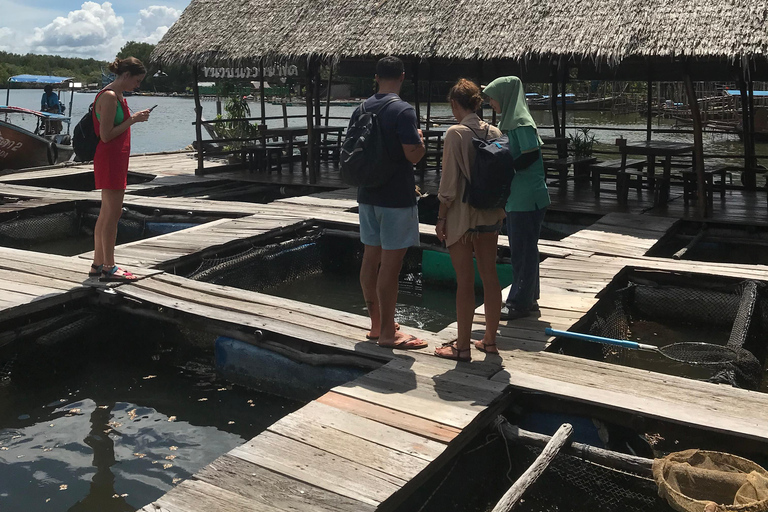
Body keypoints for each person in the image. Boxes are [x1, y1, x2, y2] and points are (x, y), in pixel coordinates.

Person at [350, 56, 428, 350]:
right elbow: (413, 155)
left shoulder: (361, 108)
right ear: (402, 77)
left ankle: (376, 325)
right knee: (391, 268)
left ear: (376, 77)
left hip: (367, 195)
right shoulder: (402, 110)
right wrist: (421, 141)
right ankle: (387, 333)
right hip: (396, 198)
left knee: (371, 259)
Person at [434, 79, 505, 360]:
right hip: (490, 212)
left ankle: (462, 347)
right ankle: (489, 341)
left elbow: (448, 185)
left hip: (463, 217)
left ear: (454, 104)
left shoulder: (455, 133)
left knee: (464, 281)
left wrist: (440, 218)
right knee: (490, 276)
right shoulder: (495, 131)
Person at [482, 76, 550, 321]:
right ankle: (528, 298)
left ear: (505, 97)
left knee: (523, 250)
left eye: (492, 98)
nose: (490, 103)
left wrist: (506, 168)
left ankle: (519, 302)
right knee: (524, 249)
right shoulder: (510, 121)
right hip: (518, 196)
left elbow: (531, 155)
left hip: (526, 197)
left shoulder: (521, 123)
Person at [88, 57, 151, 282]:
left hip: (116, 160)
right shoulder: (109, 96)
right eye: (137, 80)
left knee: (106, 214)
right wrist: (133, 120)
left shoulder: (119, 96)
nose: (138, 85)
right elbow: (105, 135)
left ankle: (98, 264)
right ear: (125, 76)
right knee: (112, 216)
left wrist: (133, 119)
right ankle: (109, 267)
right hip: (110, 160)